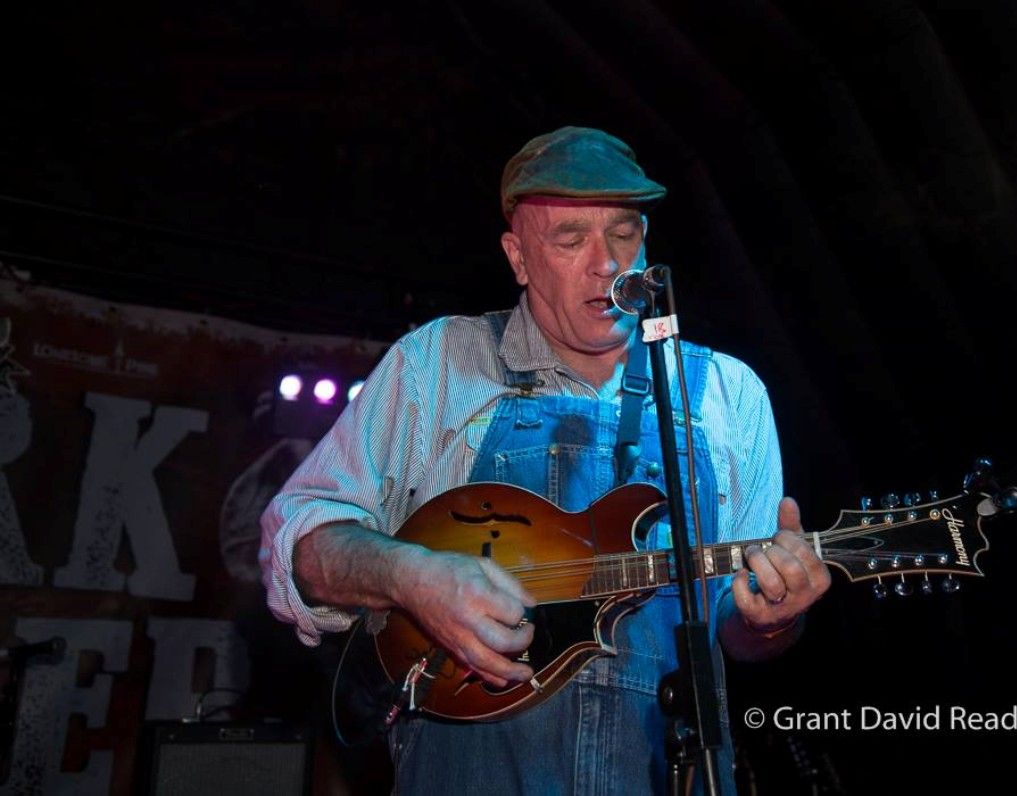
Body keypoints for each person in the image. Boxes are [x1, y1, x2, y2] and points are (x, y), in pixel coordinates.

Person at [260, 126, 831, 793]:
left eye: (624, 234)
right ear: (519, 258)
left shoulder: (727, 394)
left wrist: (775, 619)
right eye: (570, 239)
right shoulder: (437, 364)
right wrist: (411, 577)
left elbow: (741, 633)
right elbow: (299, 541)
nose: (606, 264)